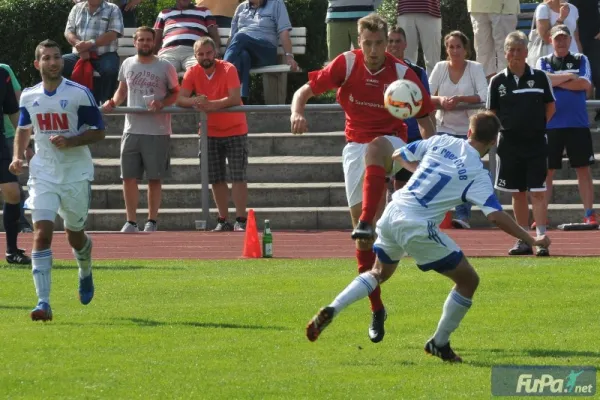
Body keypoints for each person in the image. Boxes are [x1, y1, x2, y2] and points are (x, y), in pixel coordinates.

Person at [305, 111, 552, 362]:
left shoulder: (442, 141)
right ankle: (439, 342)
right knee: (468, 280)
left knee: (379, 273)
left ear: (469, 132)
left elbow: (397, 155)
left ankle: (334, 307)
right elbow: (496, 216)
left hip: (393, 211)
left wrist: (420, 170)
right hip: (417, 223)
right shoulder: (478, 174)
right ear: (492, 143)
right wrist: (532, 239)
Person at [291, 13, 435, 344]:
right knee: (363, 244)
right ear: (359, 42)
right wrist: (297, 111)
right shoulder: (346, 65)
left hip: (393, 144)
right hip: (354, 149)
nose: (373, 50)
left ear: (389, 43)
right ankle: (377, 308)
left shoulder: (402, 75)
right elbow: (304, 91)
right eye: (367, 43)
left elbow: (426, 120)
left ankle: (368, 220)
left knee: (377, 147)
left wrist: (430, 156)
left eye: (380, 44)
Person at [10, 39, 106, 321]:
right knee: (42, 232)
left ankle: (85, 269)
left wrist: (72, 139)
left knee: (75, 235)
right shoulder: (29, 95)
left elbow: (99, 131)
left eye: (56, 57)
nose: (53, 62)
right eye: (47, 58)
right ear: (37, 64)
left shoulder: (79, 93)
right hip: (44, 172)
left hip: (75, 172)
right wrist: (18, 156)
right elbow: (23, 128)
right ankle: (43, 303)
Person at [101, 26, 180, 233]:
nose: (145, 43)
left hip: (158, 130)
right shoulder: (127, 64)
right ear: (135, 42)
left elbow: (175, 93)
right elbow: (121, 91)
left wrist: (161, 103)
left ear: (154, 43)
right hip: (131, 129)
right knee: (128, 177)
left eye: (148, 40)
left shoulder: (165, 66)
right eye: (141, 40)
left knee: (154, 178)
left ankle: (152, 220)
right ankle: (131, 221)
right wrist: (112, 103)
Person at [487, 31, 556, 256]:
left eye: (519, 50)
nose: (515, 54)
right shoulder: (497, 81)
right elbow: (492, 113)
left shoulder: (540, 77)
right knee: (517, 193)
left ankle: (541, 240)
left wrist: (535, 127)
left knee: (537, 192)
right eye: (511, 50)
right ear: (505, 53)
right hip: (509, 145)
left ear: (526, 52)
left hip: (536, 143)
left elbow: (550, 107)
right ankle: (524, 239)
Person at [177, 37, 249, 231]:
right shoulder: (192, 72)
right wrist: (195, 101)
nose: (205, 57)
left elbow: (235, 98)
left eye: (208, 53)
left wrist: (210, 105)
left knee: (238, 176)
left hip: (235, 129)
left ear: (215, 52)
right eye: (201, 54)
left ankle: (241, 219)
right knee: (215, 178)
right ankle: (223, 219)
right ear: (195, 56)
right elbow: (180, 98)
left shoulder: (228, 68)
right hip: (209, 131)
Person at [536, 25, 596, 225]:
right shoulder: (543, 61)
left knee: (583, 170)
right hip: (551, 124)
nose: (561, 42)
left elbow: (585, 84)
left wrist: (557, 81)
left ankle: (589, 214)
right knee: (547, 172)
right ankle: (540, 217)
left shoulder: (581, 59)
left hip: (577, 124)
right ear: (551, 41)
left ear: (570, 40)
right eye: (557, 39)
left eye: (564, 38)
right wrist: (570, 76)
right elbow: (543, 82)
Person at [429, 31, 488, 229]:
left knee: (464, 173)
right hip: (444, 127)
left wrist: (461, 99)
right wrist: (442, 100)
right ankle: (438, 215)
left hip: (468, 130)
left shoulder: (476, 68)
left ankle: (463, 217)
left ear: (466, 49)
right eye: (451, 47)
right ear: (446, 49)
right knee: (442, 172)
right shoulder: (439, 67)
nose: (455, 51)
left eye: (458, 47)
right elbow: (427, 94)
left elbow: (483, 95)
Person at [385, 26, 432, 194]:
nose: (393, 45)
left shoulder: (417, 73)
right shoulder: (378, 72)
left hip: (412, 137)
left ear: (405, 44)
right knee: (382, 188)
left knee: (405, 187)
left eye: (398, 41)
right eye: (390, 41)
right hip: (386, 135)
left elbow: (428, 108)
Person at [224, 0, 298, 103]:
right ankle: (242, 99)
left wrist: (289, 56)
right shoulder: (241, 7)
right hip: (245, 48)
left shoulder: (276, 4)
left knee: (240, 37)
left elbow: (283, 32)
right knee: (243, 56)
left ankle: (221, 74)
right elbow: (232, 37)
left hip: (266, 51)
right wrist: (228, 53)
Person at [63, 0, 124, 103]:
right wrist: (79, 44)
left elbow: (113, 33)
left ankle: (107, 104)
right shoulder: (77, 8)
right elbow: (68, 31)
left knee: (110, 70)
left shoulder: (112, 8)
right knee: (57, 64)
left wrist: (90, 44)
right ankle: (65, 101)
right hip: (79, 54)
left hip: (104, 54)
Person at [0, 67, 30, 265]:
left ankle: (11, 251)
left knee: (13, 192)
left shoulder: (3, 74)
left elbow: (13, 113)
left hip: (0, 142)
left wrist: (26, 146)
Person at [154, 0, 221, 74]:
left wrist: (216, 48)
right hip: (168, 53)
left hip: (194, 52)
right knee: (161, 74)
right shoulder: (164, 13)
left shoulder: (204, 11)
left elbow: (213, 33)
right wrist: (152, 55)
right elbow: (156, 37)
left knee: (200, 73)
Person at [467, 0, 519, 80]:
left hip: (504, 6)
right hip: (477, 6)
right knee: (482, 53)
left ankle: (507, 84)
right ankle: (485, 88)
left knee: (506, 50)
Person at [569, 0, 600, 121]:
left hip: (594, 38)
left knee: (598, 73)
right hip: (572, 38)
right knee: (574, 74)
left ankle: (598, 111)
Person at [396, 0, 441, 75]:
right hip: (405, 9)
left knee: (433, 60)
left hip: (431, 10)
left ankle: (433, 86)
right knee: (406, 60)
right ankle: (408, 85)